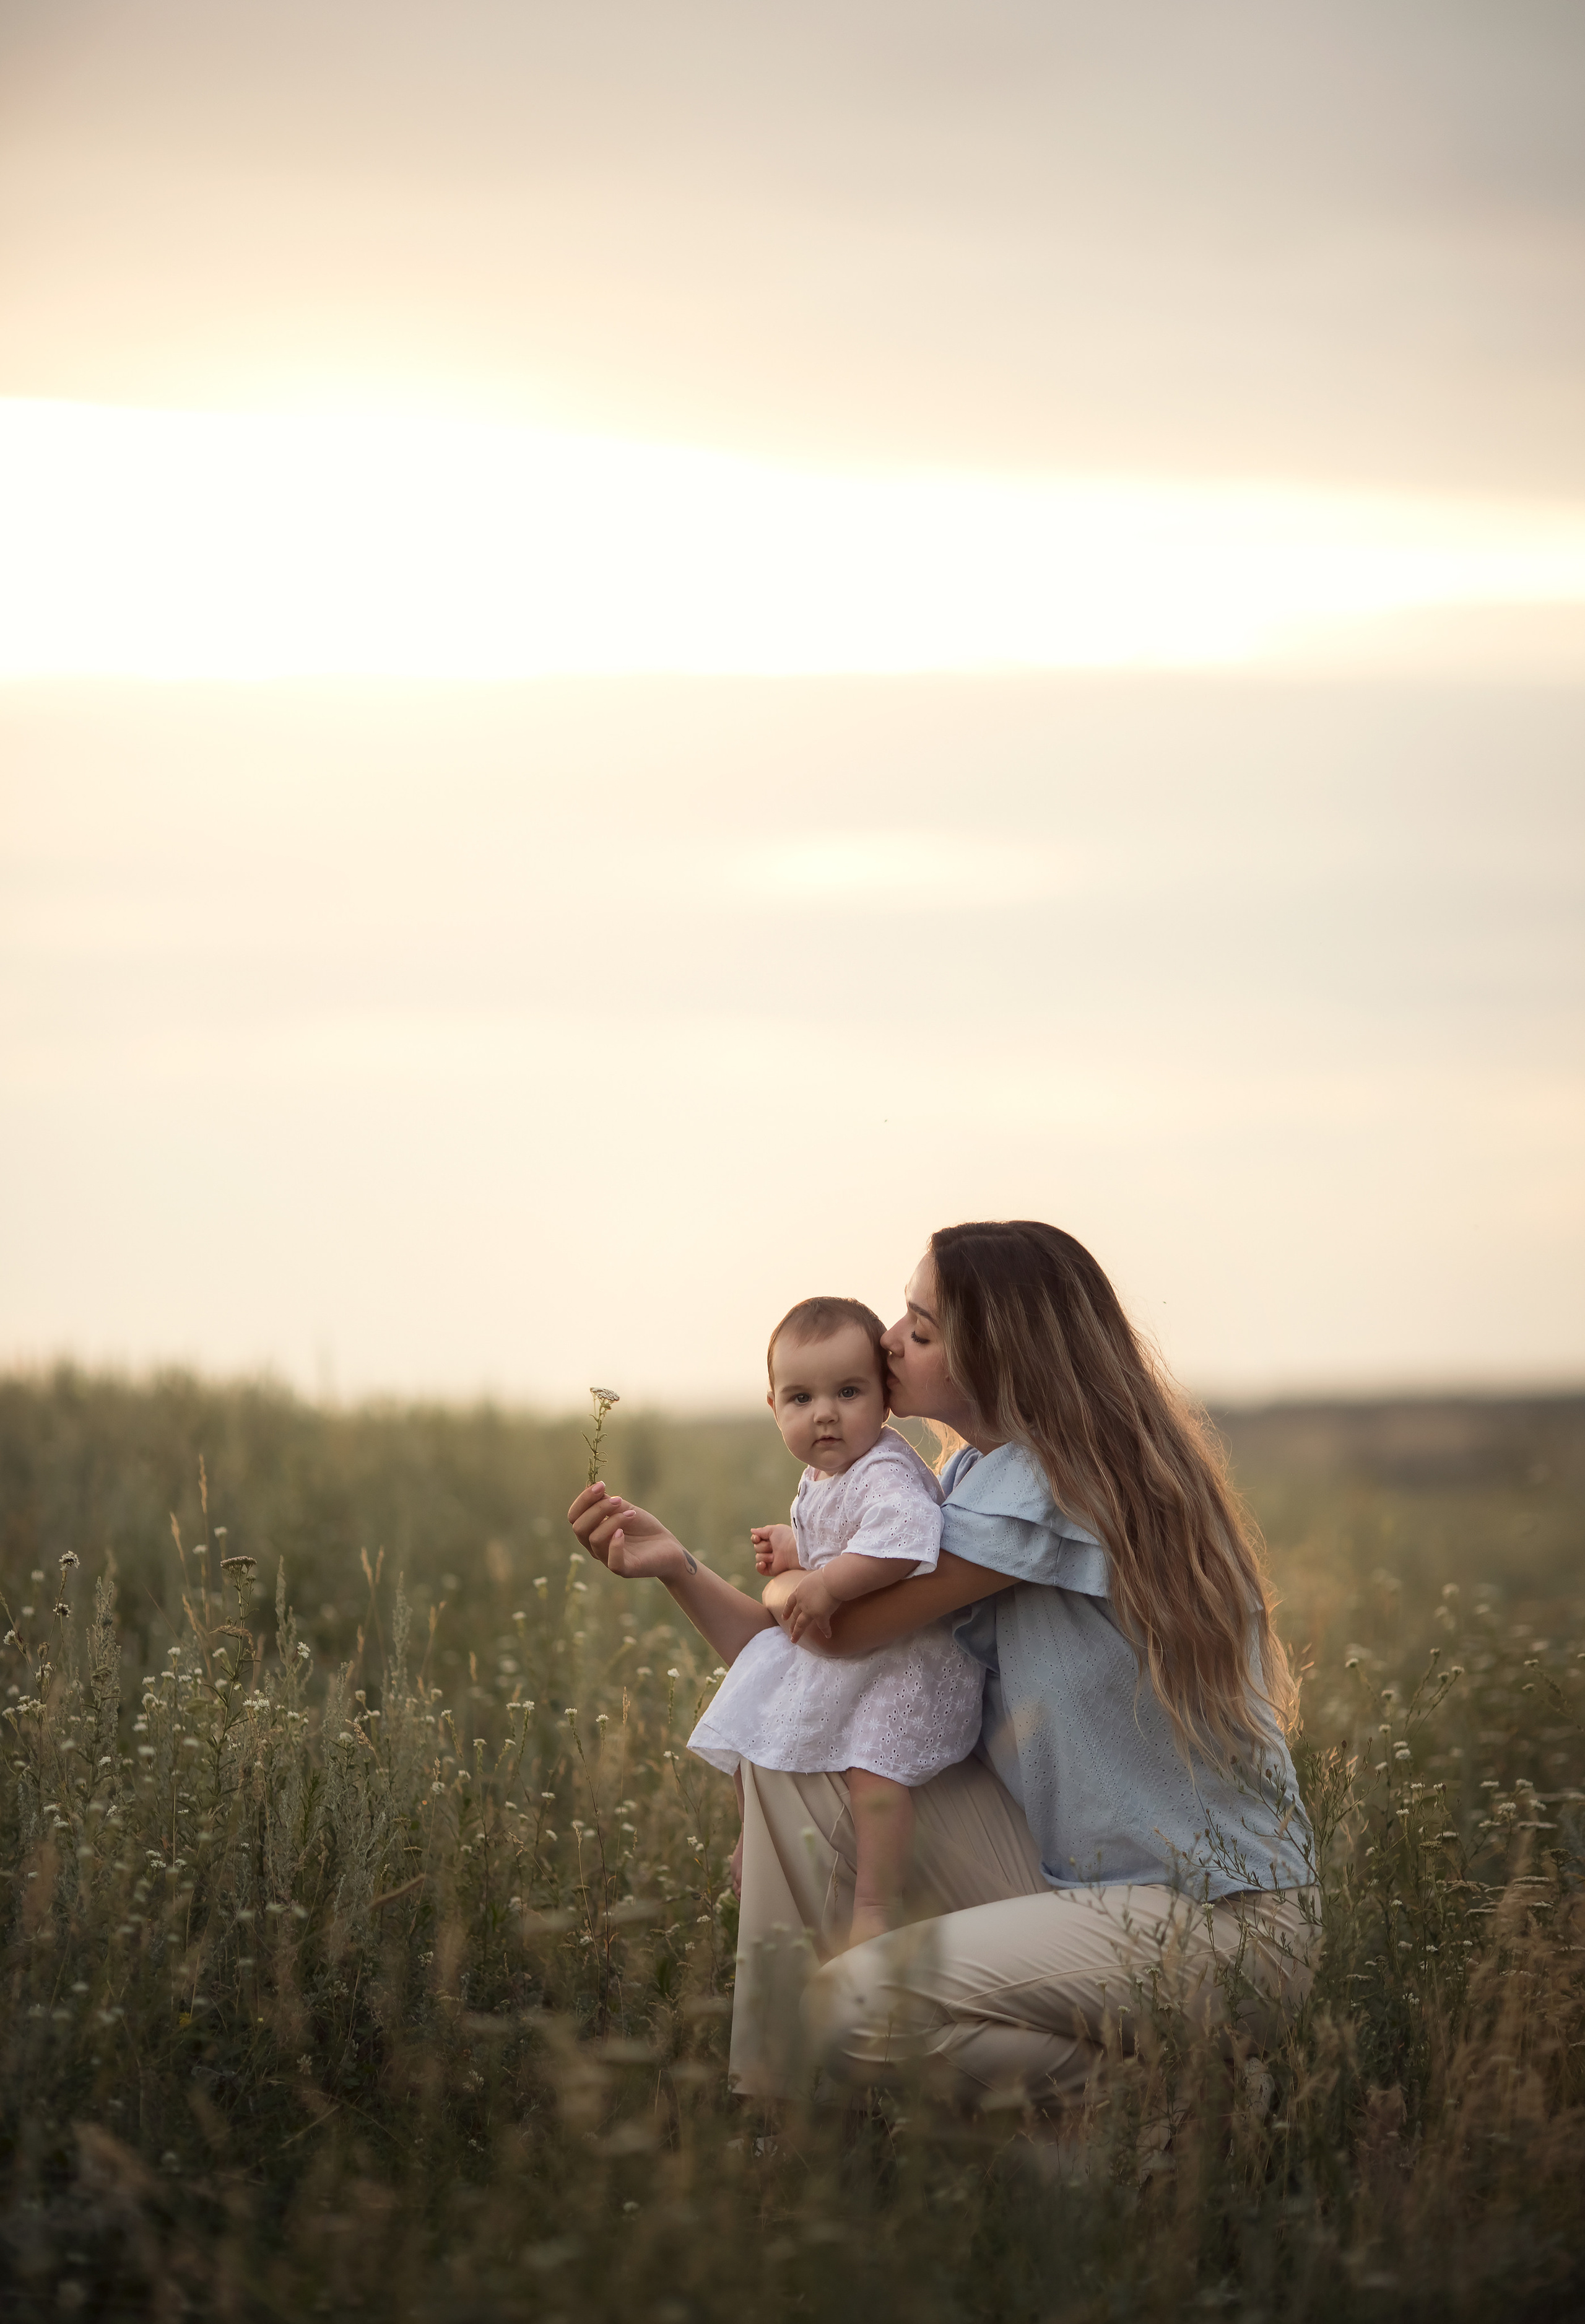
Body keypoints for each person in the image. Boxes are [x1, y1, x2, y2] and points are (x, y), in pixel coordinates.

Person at [568, 1220, 1318, 2112]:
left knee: (844, 2009)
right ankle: (773, 2124)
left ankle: (1172, 2100)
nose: (888, 1339)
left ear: (998, 1361)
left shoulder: (1046, 1488)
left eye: (920, 1330)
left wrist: (793, 1586)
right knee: (792, 1764)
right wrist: (681, 1568)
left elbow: (831, 1632)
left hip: (1216, 1926)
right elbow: (811, 1672)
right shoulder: (969, 1483)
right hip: (1083, 1885)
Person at [688, 1295, 984, 1945]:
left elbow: (904, 1539)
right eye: (800, 1398)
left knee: (872, 1767)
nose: (824, 1413)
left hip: (908, 1665)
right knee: (750, 1706)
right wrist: (798, 1552)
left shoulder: (883, 1469)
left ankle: (877, 1906)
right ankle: (755, 1838)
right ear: (773, 1407)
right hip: (861, 1654)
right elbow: (848, 1537)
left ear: (884, 1398)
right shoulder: (820, 1476)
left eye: (848, 1392)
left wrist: (821, 1581)